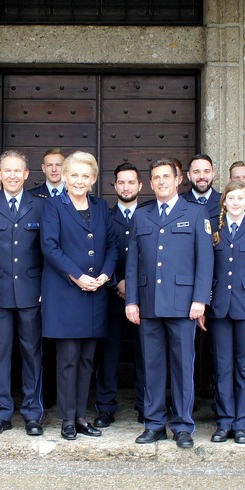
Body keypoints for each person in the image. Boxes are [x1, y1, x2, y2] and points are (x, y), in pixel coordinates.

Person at [125, 158, 213, 449]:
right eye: (156, 178)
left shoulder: (196, 213)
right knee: (151, 367)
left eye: (167, 176)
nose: (161, 181)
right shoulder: (141, 215)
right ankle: (154, 424)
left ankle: (183, 425)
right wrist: (132, 301)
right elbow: (133, 264)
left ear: (178, 180)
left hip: (183, 304)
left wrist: (200, 299)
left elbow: (205, 261)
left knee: (182, 367)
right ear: (150, 184)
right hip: (149, 304)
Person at [40, 152, 118, 440]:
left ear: (94, 179)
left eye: (85, 176)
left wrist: (106, 275)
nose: (79, 180)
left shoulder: (100, 207)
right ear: (64, 176)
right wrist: (77, 275)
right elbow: (50, 247)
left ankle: (82, 417)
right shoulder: (53, 206)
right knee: (68, 359)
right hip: (66, 293)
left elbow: (112, 246)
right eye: (74, 175)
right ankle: (67, 419)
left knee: (87, 360)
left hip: (95, 293)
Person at [0, 151, 45, 436]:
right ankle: (1, 413)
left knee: (31, 354)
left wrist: (45, 289)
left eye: (18, 171)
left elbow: (47, 251)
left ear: (27, 174)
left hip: (31, 293)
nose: (13, 176)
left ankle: (32, 414)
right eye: (7, 171)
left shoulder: (40, 206)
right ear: (0, 174)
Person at [203, 181, 245, 445]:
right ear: (224, 201)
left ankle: (242, 423)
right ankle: (224, 421)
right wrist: (204, 306)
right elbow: (207, 271)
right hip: (220, 308)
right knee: (222, 368)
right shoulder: (215, 228)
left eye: (239, 197)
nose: (235, 202)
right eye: (230, 197)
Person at [95, 162, 145, 427]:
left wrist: (133, 286)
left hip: (144, 299)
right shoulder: (105, 216)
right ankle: (105, 407)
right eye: (121, 182)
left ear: (140, 185)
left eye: (131, 182)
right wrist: (116, 281)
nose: (126, 187)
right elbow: (100, 252)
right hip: (110, 296)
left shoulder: (149, 215)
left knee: (145, 354)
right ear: (114, 186)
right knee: (108, 354)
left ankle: (145, 405)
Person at [181, 154, 222, 221]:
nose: (202, 176)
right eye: (196, 172)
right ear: (189, 176)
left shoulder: (225, 201)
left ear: (213, 174)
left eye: (206, 171)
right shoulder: (179, 202)